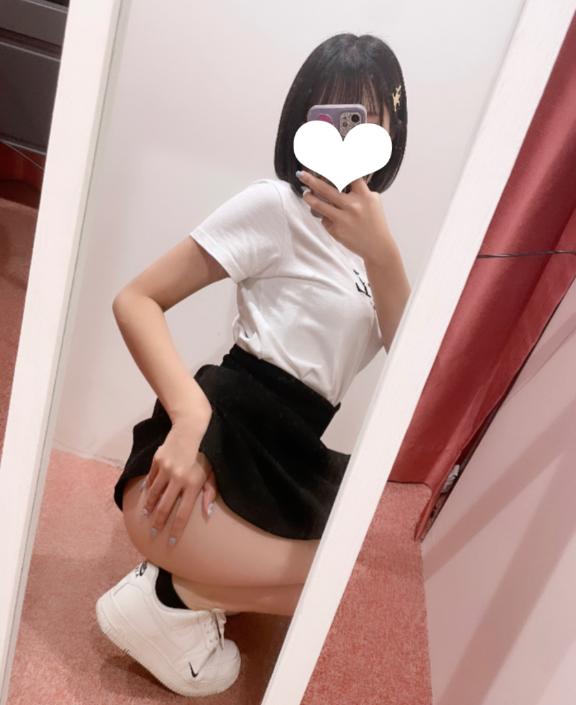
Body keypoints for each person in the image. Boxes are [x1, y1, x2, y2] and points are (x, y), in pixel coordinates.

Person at [95, 31, 410, 697]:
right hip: (229, 426)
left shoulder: (371, 256)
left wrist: (383, 253)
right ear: (303, 121)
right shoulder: (274, 207)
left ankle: (177, 594)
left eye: (367, 118)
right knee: (327, 583)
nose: (347, 136)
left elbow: (410, 365)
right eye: (333, 114)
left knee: (345, 575)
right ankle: (172, 597)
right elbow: (137, 299)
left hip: (293, 447)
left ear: (390, 132)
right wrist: (189, 417)